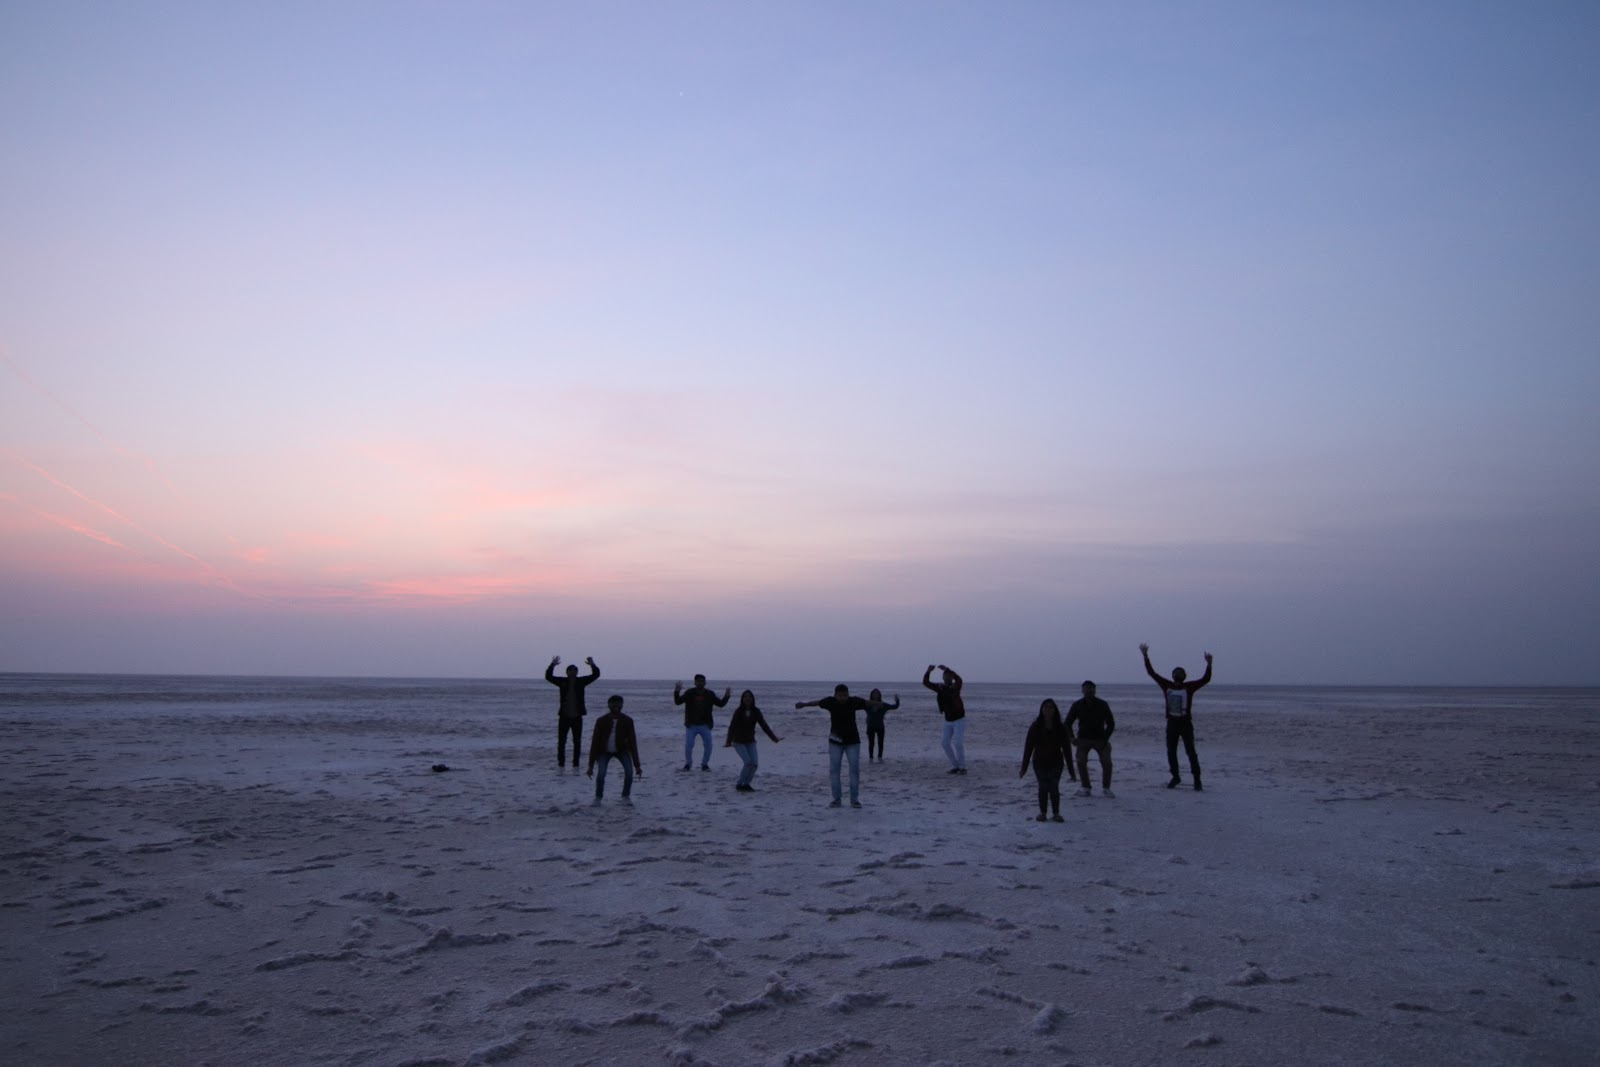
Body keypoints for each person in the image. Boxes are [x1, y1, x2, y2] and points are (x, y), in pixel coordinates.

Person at [1141, 644, 1213, 791]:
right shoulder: (1166, 685)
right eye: (1176, 673)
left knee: (1190, 751)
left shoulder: (1189, 687)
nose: (1178, 675)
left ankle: (1197, 779)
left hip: (1185, 723)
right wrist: (1145, 656)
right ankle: (1175, 777)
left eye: (1180, 673)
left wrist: (1209, 664)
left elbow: (1205, 679)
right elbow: (1152, 673)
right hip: (1172, 723)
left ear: (1184, 676)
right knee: (1171, 751)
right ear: (1173, 675)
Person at [796, 685, 869, 808]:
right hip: (835, 742)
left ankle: (854, 799)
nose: (842, 698)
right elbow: (817, 702)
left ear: (848, 694)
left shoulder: (853, 701)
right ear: (835, 695)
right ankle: (836, 799)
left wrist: (883, 705)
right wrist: (803, 704)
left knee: (854, 770)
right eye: (840, 695)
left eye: (845, 695)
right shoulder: (830, 702)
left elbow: (869, 702)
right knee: (834, 770)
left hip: (853, 742)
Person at [1019, 698, 1073, 821]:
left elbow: (1067, 750)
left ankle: (1056, 813)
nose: (1048, 710)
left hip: (1056, 762)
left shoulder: (1060, 727)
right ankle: (1043, 812)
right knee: (1043, 786)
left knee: (1054, 787)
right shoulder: (1036, 726)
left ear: (1055, 710)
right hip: (1039, 761)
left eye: (1051, 707)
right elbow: (1028, 748)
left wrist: (1071, 770)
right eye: (1046, 707)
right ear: (1041, 710)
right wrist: (1024, 768)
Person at [546, 655, 600, 769]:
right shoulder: (562, 682)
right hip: (564, 716)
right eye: (570, 670)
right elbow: (548, 677)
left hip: (577, 716)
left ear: (577, 672)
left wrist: (592, 664)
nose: (572, 672)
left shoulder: (581, 681)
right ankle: (561, 763)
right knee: (562, 742)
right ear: (567, 672)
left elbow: (596, 675)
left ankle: (576, 763)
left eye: (575, 670)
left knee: (577, 742)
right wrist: (552, 665)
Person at [587, 695, 642, 805]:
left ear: (622, 705)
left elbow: (633, 743)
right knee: (601, 774)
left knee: (629, 772)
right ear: (608, 705)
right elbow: (595, 743)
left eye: (618, 703)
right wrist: (590, 766)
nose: (616, 705)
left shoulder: (628, 721)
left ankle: (625, 796)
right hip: (604, 751)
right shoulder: (601, 721)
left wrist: (637, 765)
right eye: (613, 703)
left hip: (622, 750)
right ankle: (598, 797)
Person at [724, 689, 782, 792]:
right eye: (745, 696)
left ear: (753, 699)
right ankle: (739, 784)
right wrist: (728, 741)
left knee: (754, 764)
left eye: (750, 696)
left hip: (750, 741)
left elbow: (764, 725)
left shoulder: (756, 711)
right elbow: (732, 727)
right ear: (742, 699)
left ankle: (746, 784)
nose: (748, 698)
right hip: (738, 742)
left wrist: (774, 738)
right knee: (747, 763)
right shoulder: (738, 711)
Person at [1066, 680, 1116, 798]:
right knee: (1080, 761)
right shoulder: (1077, 705)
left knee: (1107, 762)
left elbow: (1111, 724)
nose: (1089, 690)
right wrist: (1072, 738)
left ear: (1095, 690)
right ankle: (1086, 787)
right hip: (1083, 739)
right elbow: (1067, 723)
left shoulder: (1102, 704)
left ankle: (1106, 788)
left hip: (1100, 739)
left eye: (1091, 688)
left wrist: (1105, 739)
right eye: (1086, 688)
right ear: (1082, 690)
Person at [674, 674, 730, 771]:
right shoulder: (689, 693)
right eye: (698, 681)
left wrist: (726, 697)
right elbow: (678, 702)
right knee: (689, 745)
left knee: (708, 746)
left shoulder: (710, 694)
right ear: (695, 682)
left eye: (702, 681)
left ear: (705, 682)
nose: (700, 683)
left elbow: (720, 704)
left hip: (705, 725)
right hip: (691, 725)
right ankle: (688, 764)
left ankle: (704, 764)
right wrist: (677, 692)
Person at [922, 663, 967, 774]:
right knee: (945, 743)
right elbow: (926, 683)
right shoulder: (940, 687)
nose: (947, 678)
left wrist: (948, 669)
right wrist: (928, 671)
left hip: (959, 720)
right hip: (948, 721)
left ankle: (962, 767)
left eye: (949, 676)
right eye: (945, 676)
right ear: (943, 678)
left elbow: (959, 680)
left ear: (951, 678)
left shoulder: (956, 687)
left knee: (958, 743)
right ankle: (955, 765)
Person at [863, 688, 900, 761]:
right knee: (871, 743)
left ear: (880, 695)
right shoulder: (868, 704)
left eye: (877, 694)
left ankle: (880, 758)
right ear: (871, 695)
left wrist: (897, 701)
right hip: (870, 726)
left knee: (880, 743)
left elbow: (894, 707)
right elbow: (858, 705)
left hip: (880, 727)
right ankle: (871, 758)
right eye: (874, 694)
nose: (875, 695)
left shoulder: (883, 705)